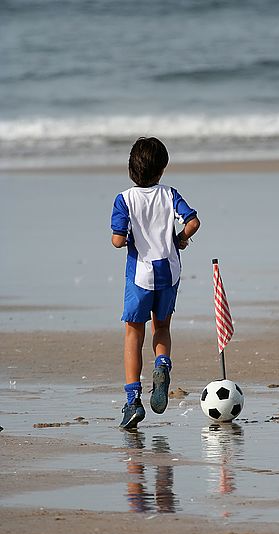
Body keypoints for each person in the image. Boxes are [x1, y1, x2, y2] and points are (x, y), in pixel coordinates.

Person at [111, 137, 200, 430]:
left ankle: (133, 400)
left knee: (132, 333)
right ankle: (162, 366)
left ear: (130, 170)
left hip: (140, 275)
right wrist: (181, 239)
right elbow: (193, 221)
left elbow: (117, 240)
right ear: (162, 170)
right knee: (161, 327)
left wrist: (124, 237)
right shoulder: (169, 194)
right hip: (169, 272)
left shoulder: (124, 199)